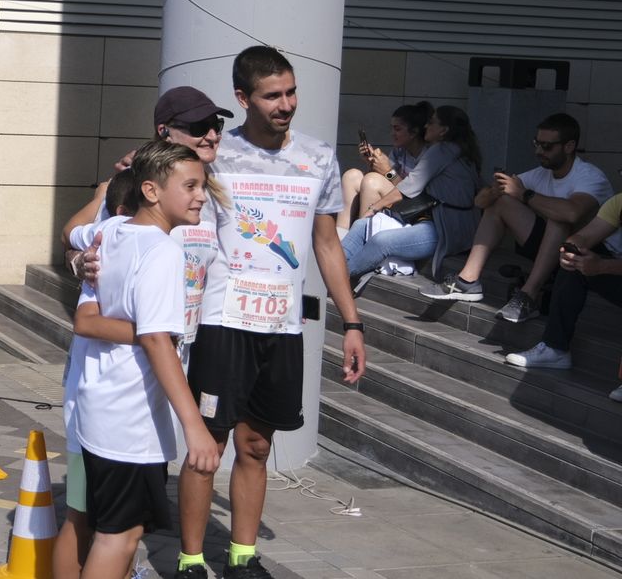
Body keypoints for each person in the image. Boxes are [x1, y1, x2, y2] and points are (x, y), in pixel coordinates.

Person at [175, 46, 365, 579]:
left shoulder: (319, 157)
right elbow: (157, 193)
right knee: (207, 445)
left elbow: (327, 245)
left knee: (256, 445)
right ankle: (190, 561)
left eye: (291, 92)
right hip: (222, 321)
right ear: (243, 99)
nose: (286, 104)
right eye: (272, 95)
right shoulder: (215, 155)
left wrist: (352, 323)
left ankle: (242, 555)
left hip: (282, 324)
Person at [57, 86, 232, 579]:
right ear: (152, 190)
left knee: (93, 520)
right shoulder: (162, 251)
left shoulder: (112, 233)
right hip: (129, 420)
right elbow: (157, 341)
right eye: (191, 187)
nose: (201, 196)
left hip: (96, 406)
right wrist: (195, 425)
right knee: (122, 535)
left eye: (202, 186)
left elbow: (88, 319)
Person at [421, 113, 613, 323]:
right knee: (502, 202)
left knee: (559, 218)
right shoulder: (540, 173)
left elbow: (572, 212)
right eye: (536, 144)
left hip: (595, 255)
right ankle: (467, 280)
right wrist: (496, 190)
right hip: (555, 253)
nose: (539, 151)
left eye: (547, 146)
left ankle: (528, 296)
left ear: (569, 146)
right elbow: (479, 202)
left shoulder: (590, 176)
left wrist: (524, 194)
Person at [341, 106, 483, 293]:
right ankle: (331, 268)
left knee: (381, 241)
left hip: (446, 229)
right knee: (361, 226)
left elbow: (408, 188)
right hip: (430, 219)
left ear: (444, 130)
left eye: (432, 122)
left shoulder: (441, 150)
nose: (427, 125)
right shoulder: (450, 150)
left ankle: (336, 279)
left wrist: (375, 207)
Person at [504, 191, 622, 385]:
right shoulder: (619, 202)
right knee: (574, 262)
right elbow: (585, 235)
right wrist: (572, 248)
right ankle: (555, 348)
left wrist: (602, 266)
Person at [338, 101, 432, 231]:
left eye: (397, 129)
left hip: (415, 207)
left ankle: (358, 238)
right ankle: (341, 237)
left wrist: (388, 171)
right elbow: (386, 179)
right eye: (392, 128)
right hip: (396, 198)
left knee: (371, 181)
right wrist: (371, 164)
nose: (392, 133)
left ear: (414, 132)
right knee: (351, 176)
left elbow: (411, 193)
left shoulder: (428, 156)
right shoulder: (400, 151)